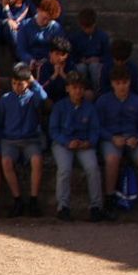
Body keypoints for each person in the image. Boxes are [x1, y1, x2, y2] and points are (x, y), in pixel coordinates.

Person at [95, 66, 138, 222]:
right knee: (112, 159)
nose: (122, 86)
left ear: (129, 83)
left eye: (125, 83)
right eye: (118, 83)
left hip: (133, 139)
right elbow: (97, 127)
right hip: (111, 139)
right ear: (112, 84)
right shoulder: (103, 101)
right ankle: (110, 200)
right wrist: (112, 137)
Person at [49, 72, 105, 222]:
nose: (77, 91)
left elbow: (95, 130)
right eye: (74, 88)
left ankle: (96, 206)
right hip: (63, 143)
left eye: (80, 88)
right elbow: (53, 130)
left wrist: (89, 142)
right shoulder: (60, 106)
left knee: (92, 168)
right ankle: (63, 206)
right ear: (68, 89)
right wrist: (67, 142)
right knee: (64, 169)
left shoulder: (90, 108)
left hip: (84, 143)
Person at [0, 63, 47, 218]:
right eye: (15, 83)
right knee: (6, 162)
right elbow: (0, 121)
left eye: (21, 83)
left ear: (27, 83)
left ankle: (33, 199)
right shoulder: (5, 100)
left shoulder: (33, 97)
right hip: (10, 140)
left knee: (37, 160)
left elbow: (43, 98)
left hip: (30, 139)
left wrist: (33, 82)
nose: (17, 86)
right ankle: (17, 199)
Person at [68, 8, 110, 93]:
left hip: (97, 63)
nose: (87, 30)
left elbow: (107, 54)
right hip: (81, 63)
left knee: (94, 67)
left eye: (90, 27)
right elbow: (71, 54)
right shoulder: (75, 37)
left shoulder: (102, 36)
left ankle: (98, 91)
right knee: (81, 68)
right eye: (85, 27)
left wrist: (99, 59)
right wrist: (80, 59)